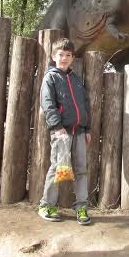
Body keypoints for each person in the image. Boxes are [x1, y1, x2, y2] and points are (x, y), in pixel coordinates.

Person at [38, 38, 92, 225]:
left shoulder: (76, 79)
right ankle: (47, 205)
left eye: (68, 55)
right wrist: (57, 127)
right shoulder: (50, 78)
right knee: (57, 168)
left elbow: (85, 105)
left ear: (72, 58)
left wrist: (87, 128)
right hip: (61, 132)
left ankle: (82, 207)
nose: (64, 58)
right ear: (53, 56)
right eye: (61, 54)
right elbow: (48, 104)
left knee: (81, 170)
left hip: (80, 132)